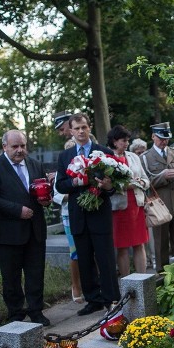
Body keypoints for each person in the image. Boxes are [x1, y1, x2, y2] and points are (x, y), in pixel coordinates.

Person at [0, 130, 51, 325]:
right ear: (4, 147)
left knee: (36, 274)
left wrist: (46, 200)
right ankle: (16, 314)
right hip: (8, 232)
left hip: (35, 229)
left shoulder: (35, 165)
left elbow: (44, 189)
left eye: (23, 146)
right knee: (11, 278)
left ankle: (36, 311)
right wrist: (16, 210)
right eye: (15, 146)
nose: (20, 150)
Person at [55, 114, 121, 316]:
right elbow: (60, 185)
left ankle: (110, 298)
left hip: (99, 213)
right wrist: (77, 182)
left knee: (105, 258)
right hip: (78, 215)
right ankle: (93, 299)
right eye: (77, 128)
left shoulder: (103, 152)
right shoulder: (65, 157)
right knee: (84, 259)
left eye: (84, 127)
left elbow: (116, 184)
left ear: (89, 128)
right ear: (71, 131)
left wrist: (108, 186)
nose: (81, 132)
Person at [140, 122, 174, 272]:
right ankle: (162, 274)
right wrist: (163, 177)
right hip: (159, 207)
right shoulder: (145, 157)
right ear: (153, 136)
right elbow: (145, 182)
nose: (164, 141)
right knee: (160, 244)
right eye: (161, 138)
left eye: (166, 138)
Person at [107, 125, 150, 277]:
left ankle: (143, 281)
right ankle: (127, 283)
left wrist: (142, 183)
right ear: (114, 141)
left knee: (140, 244)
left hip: (136, 205)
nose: (126, 143)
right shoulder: (107, 159)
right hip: (119, 209)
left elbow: (146, 179)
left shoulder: (133, 157)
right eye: (123, 140)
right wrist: (128, 185)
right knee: (122, 247)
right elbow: (108, 184)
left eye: (127, 140)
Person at [53, 113, 83, 303]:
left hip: (87, 211)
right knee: (76, 252)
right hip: (69, 214)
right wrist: (70, 194)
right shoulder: (64, 162)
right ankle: (76, 286)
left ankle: (90, 283)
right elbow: (56, 192)